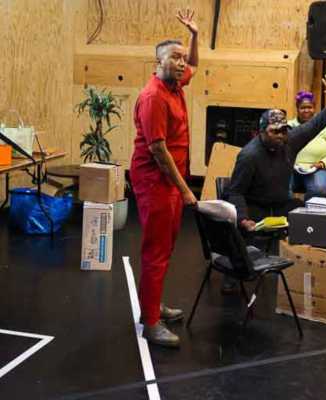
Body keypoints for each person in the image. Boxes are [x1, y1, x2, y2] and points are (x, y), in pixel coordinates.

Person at [129, 9, 198, 348]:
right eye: (176, 57)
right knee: (156, 251)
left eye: (183, 58)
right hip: (156, 182)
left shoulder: (174, 84)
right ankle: (151, 323)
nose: (183, 63)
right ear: (158, 62)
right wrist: (186, 190)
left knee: (167, 247)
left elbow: (195, 69)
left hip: (171, 182)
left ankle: (152, 306)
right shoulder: (154, 96)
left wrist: (196, 36)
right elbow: (158, 151)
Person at [227, 75, 326, 233]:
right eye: (274, 131)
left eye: (283, 130)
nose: (280, 135)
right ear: (261, 133)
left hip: (280, 204)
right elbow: (235, 191)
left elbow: (315, 125)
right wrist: (243, 220)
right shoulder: (249, 156)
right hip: (256, 208)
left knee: (310, 218)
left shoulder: (289, 140)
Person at [288, 90, 326, 201]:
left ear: (314, 108)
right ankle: (288, 214)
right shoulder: (289, 126)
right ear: (297, 109)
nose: (306, 110)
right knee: (281, 187)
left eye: (310, 107)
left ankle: (308, 216)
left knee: (319, 188)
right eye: (303, 107)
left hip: (318, 169)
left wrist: (321, 164)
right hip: (292, 168)